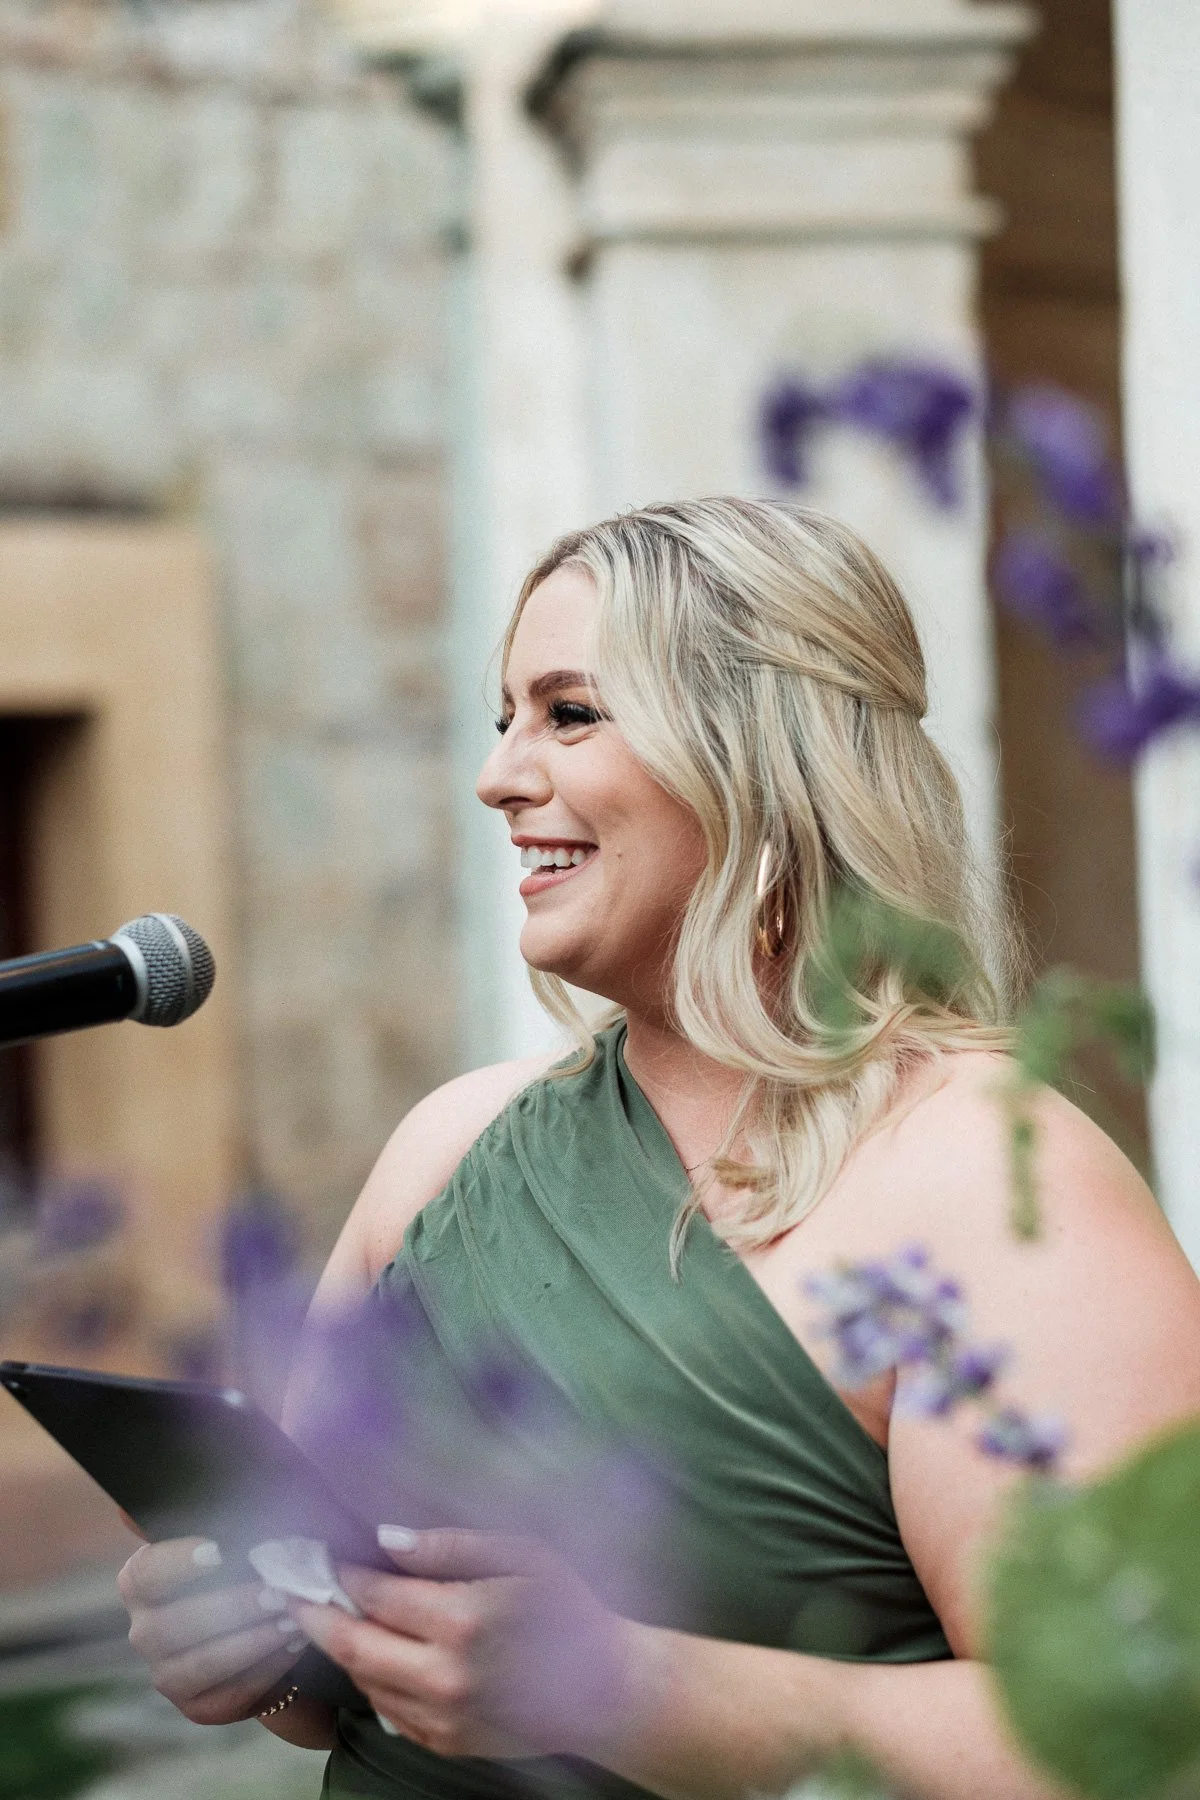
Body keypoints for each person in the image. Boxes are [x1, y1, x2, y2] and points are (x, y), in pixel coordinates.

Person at [118, 500, 1200, 1800]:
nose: (500, 775)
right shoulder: (444, 1152)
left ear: (760, 753)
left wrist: (630, 1687)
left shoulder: (992, 1177)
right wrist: (260, 1648)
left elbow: (1139, 1742)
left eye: (570, 714)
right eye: (504, 718)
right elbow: (330, 1691)